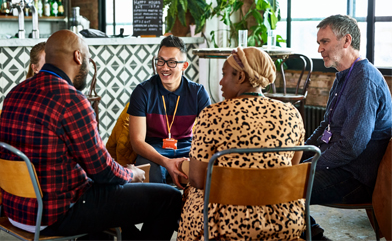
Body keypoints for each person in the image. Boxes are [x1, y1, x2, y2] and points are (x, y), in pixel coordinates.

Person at [0, 30, 182, 240]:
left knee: (116, 208)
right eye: (87, 58)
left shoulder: (15, 93)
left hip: (17, 211)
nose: (87, 66)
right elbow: (103, 172)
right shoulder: (71, 100)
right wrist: (131, 173)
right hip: (57, 214)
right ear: (78, 56)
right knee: (169, 197)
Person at [177, 47, 306, 240]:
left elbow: (197, 179)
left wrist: (182, 166)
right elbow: (291, 168)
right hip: (283, 220)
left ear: (240, 77)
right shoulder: (291, 114)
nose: (220, 82)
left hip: (223, 224)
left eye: (224, 74)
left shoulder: (212, 115)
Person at [302, 14, 392, 239]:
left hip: (355, 177)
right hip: (340, 168)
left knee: (283, 185)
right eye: (319, 43)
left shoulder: (364, 81)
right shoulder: (343, 75)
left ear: (346, 41)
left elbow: (351, 146)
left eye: (325, 42)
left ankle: (316, 237)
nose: (320, 49)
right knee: (284, 177)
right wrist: (299, 153)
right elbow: (325, 126)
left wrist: (310, 164)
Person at [128, 35, 211, 188]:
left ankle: (192, 211)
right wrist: (166, 162)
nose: (164, 67)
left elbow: (210, 135)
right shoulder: (143, 92)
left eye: (172, 62)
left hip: (187, 149)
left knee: (205, 173)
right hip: (153, 151)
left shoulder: (198, 93)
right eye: (160, 61)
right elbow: (137, 142)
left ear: (184, 65)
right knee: (153, 180)